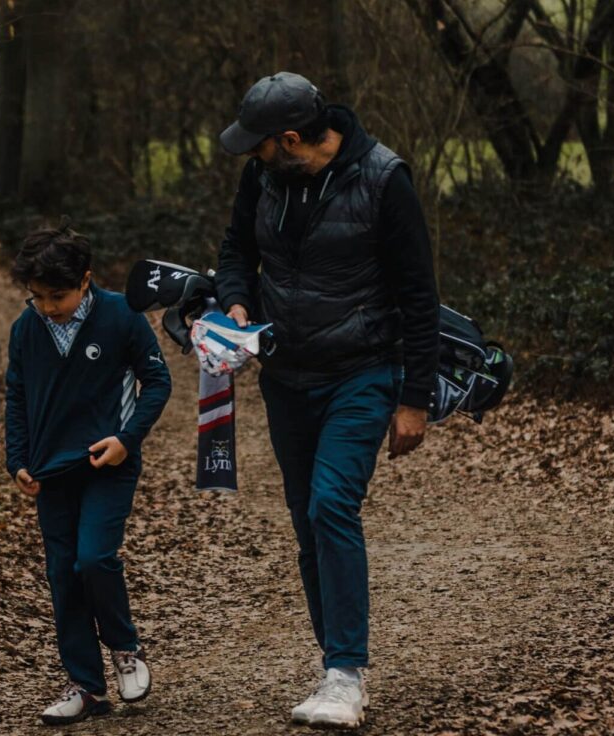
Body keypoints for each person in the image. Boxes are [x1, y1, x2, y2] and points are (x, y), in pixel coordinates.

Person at [215, 72, 440, 729]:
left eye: (258, 147)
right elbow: (236, 251)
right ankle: (332, 666)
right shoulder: (263, 177)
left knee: (331, 502)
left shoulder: (383, 179)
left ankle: (346, 673)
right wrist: (235, 305)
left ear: (289, 139)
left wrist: (414, 399)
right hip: (285, 378)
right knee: (306, 522)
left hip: (361, 372)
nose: (253, 159)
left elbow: (419, 296)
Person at [4, 224, 172, 725]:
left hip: (108, 464)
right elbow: (17, 397)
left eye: (59, 295)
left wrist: (127, 439)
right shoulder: (25, 329)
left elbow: (157, 381)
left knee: (93, 559)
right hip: (50, 473)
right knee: (63, 576)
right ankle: (86, 687)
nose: (49, 306)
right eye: (38, 297)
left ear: (86, 281)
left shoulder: (122, 315)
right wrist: (17, 460)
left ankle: (124, 647)